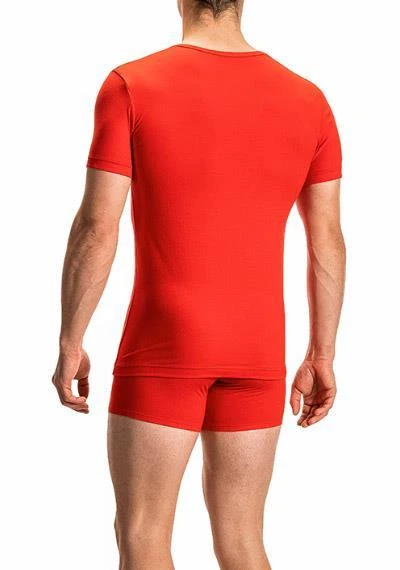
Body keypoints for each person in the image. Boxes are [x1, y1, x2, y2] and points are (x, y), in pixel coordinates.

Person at [51, 0, 346, 568]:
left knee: (142, 533)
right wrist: (322, 353)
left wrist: (71, 339)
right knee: (242, 539)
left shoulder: (131, 85)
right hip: (258, 349)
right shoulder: (309, 99)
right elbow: (327, 239)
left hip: (166, 343)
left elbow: (96, 227)